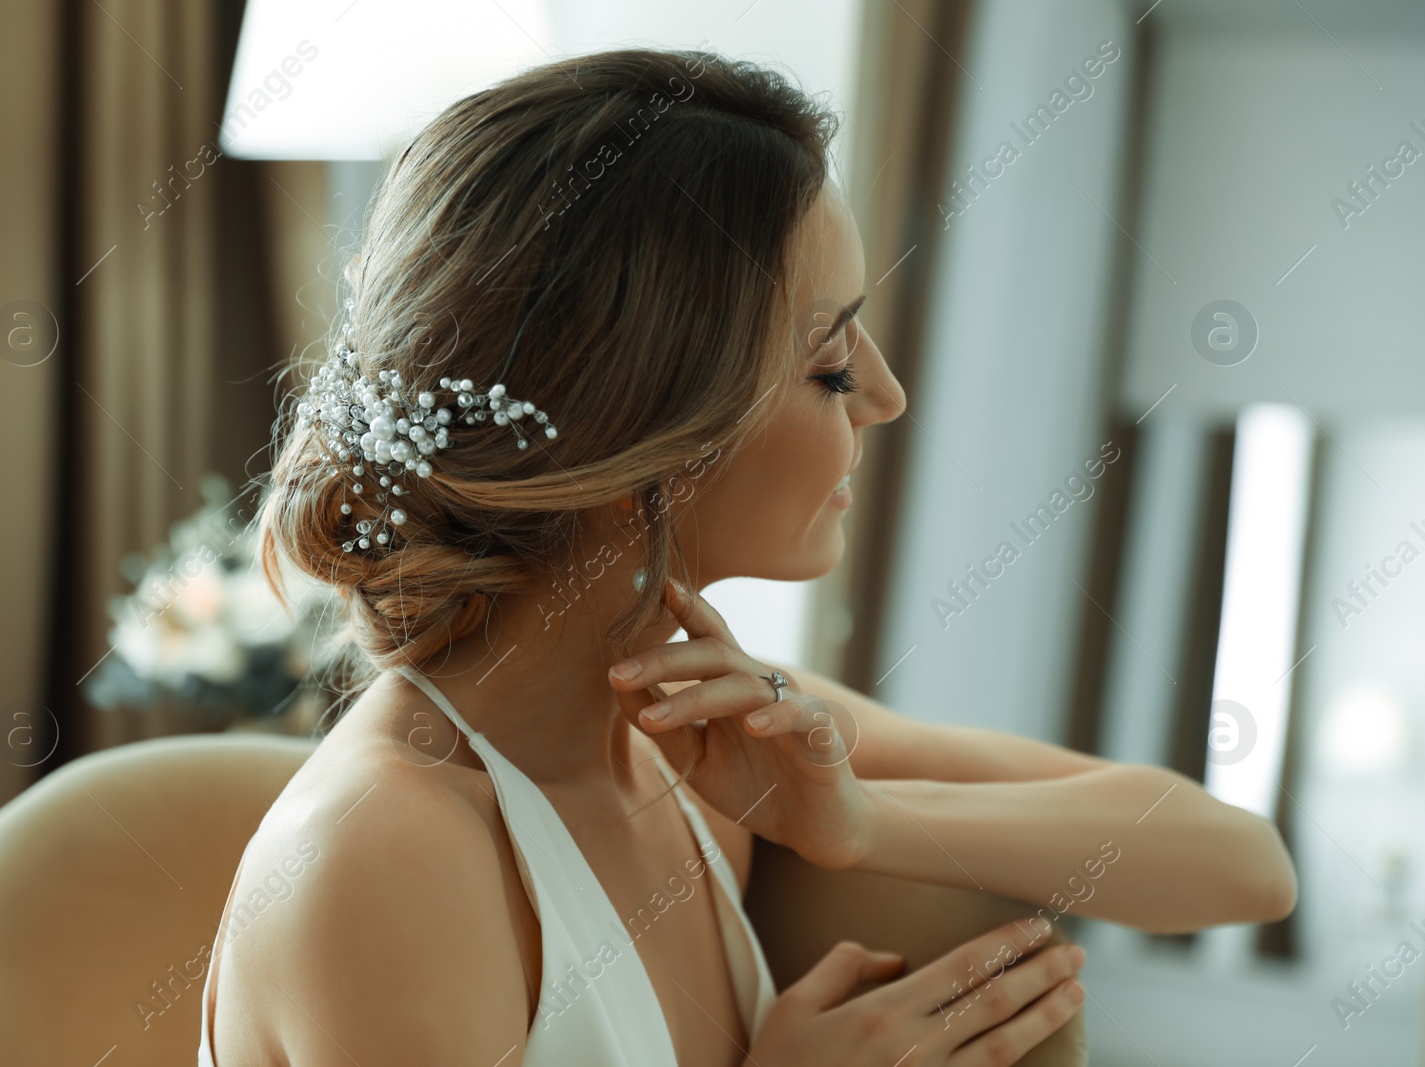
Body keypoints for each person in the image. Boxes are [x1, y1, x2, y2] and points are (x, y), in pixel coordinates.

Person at [198, 46, 1297, 1067]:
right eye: (828, 364)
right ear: (642, 426)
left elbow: (1241, 864)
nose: (884, 394)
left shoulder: (699, 735)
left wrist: (860, 821)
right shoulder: (385, 854)